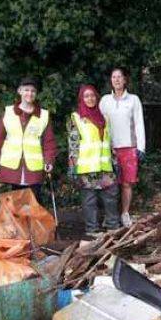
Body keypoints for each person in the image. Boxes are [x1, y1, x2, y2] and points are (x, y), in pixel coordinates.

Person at [0, 77, 57, 202]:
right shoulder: (8, 112)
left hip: (34, 168)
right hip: (12, 166)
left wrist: (49, 161)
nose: (29, 94)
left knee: (34, 202)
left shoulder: (43, 115)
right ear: (19, 91)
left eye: (33, 91)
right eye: (26, 90)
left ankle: (32, 222)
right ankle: (17, 222)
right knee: (15, 203)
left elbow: (49, 142)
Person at [68, 84, 120, 236]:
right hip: (86, 167)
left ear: (96, 97)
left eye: (92, 96)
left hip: (105, 166)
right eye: (86, 96)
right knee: (89, 201)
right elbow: (73, 144)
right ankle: (92, 230)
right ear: (81, 99)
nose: (90, 99)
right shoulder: (76, 118)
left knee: (111, 197)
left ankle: (113, 227)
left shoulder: (104, 117)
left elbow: (109, 142)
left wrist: (115, 161)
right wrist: (73, 165)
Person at [99, 67, 146, 228]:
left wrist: (141, 147)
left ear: (125, 80)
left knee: (127, 183)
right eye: (114, 77)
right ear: (111, 80)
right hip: (109, 148)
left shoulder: (133, 99)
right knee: (109, 184)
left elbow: (139, 123)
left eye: (120, 77)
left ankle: (125, 213)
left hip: (129, 148)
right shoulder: (105, 100)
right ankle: (110, 215)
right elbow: (99, 124)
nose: (117, 80)